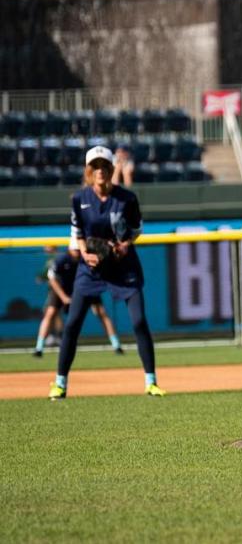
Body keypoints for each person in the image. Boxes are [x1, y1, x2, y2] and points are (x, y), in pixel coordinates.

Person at [48, 146, 166, 400]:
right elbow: (77, 233)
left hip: (123, 267)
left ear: (112, 170)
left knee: (138, 321)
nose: (100, 171)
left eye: (104, 166)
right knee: (72, 324)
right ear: (88, 171)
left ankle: (151, 381)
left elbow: (136, 229)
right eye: (95, 166)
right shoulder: (79, 199)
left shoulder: (126, 198)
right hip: (91, 268)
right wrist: (83, 252)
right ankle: (60, 383)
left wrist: (125, 245)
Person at [34, 245, 124, 357]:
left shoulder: (86, 257)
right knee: (50, 313)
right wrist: (64, 297)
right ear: (69, 248)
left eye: (78, 249)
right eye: (74, 249)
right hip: (62, 288)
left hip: (85, 287)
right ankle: (39, 348)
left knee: (101, 312)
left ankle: (116, 345)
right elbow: (52, 279)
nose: (76, 251)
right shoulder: (62, 259)